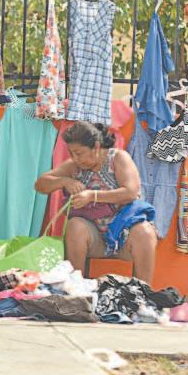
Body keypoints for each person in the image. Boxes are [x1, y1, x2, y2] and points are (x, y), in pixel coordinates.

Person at [35, 121, 157, 283]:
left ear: (97, 147)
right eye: (71, 153)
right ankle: (75, 288)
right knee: (75, 225)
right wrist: (64, 181)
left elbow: (131, 192)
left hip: (125, 237)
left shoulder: (118, 158)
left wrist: (92, 196)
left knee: (145, 231)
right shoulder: (74, 166)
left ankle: (143, 290)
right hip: (94, 239)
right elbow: (40, 185)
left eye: (79, 153)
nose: (75, 158)